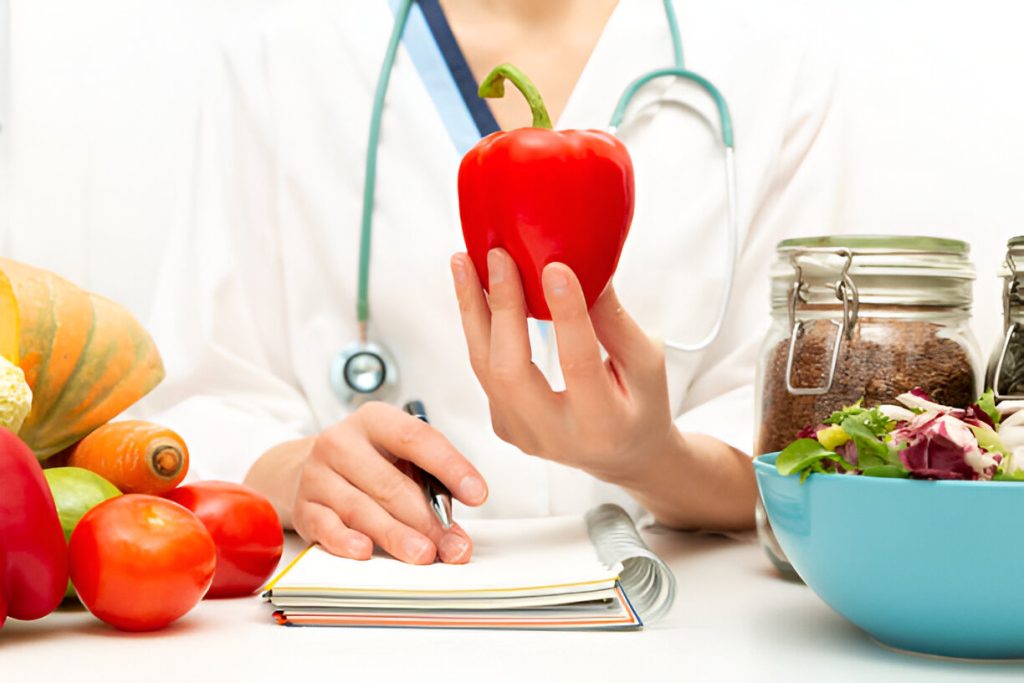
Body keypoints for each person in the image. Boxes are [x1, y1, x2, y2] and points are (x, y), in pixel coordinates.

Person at [142, 0, 841, 565]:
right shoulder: (279, 55)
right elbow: (202, 399)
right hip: (374, 611)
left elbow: (803, 444)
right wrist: (298, 474)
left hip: (690, 627)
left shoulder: (775, 61)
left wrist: (657, 460)